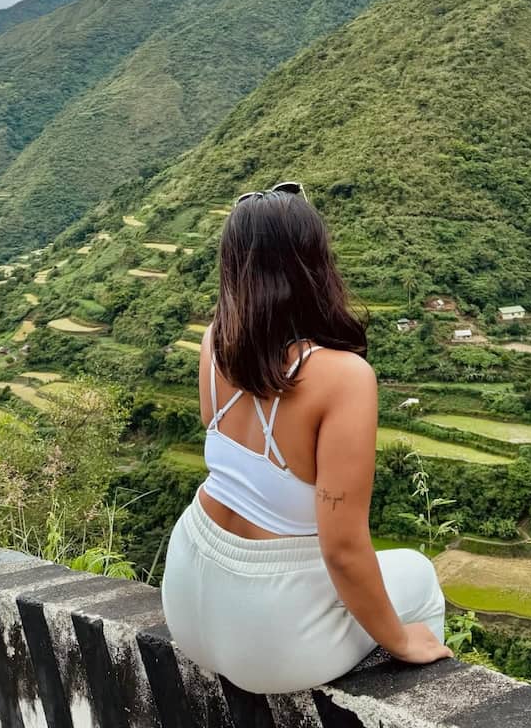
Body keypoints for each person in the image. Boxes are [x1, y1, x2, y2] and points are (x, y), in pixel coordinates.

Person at [162, 182, 451, 695]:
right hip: (270, 640)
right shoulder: (344, 377)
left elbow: (222, 438)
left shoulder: (214, 343)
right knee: (419, 575)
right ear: (314, 263)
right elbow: (342, 549)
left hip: (185, 591)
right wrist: (403, 641)